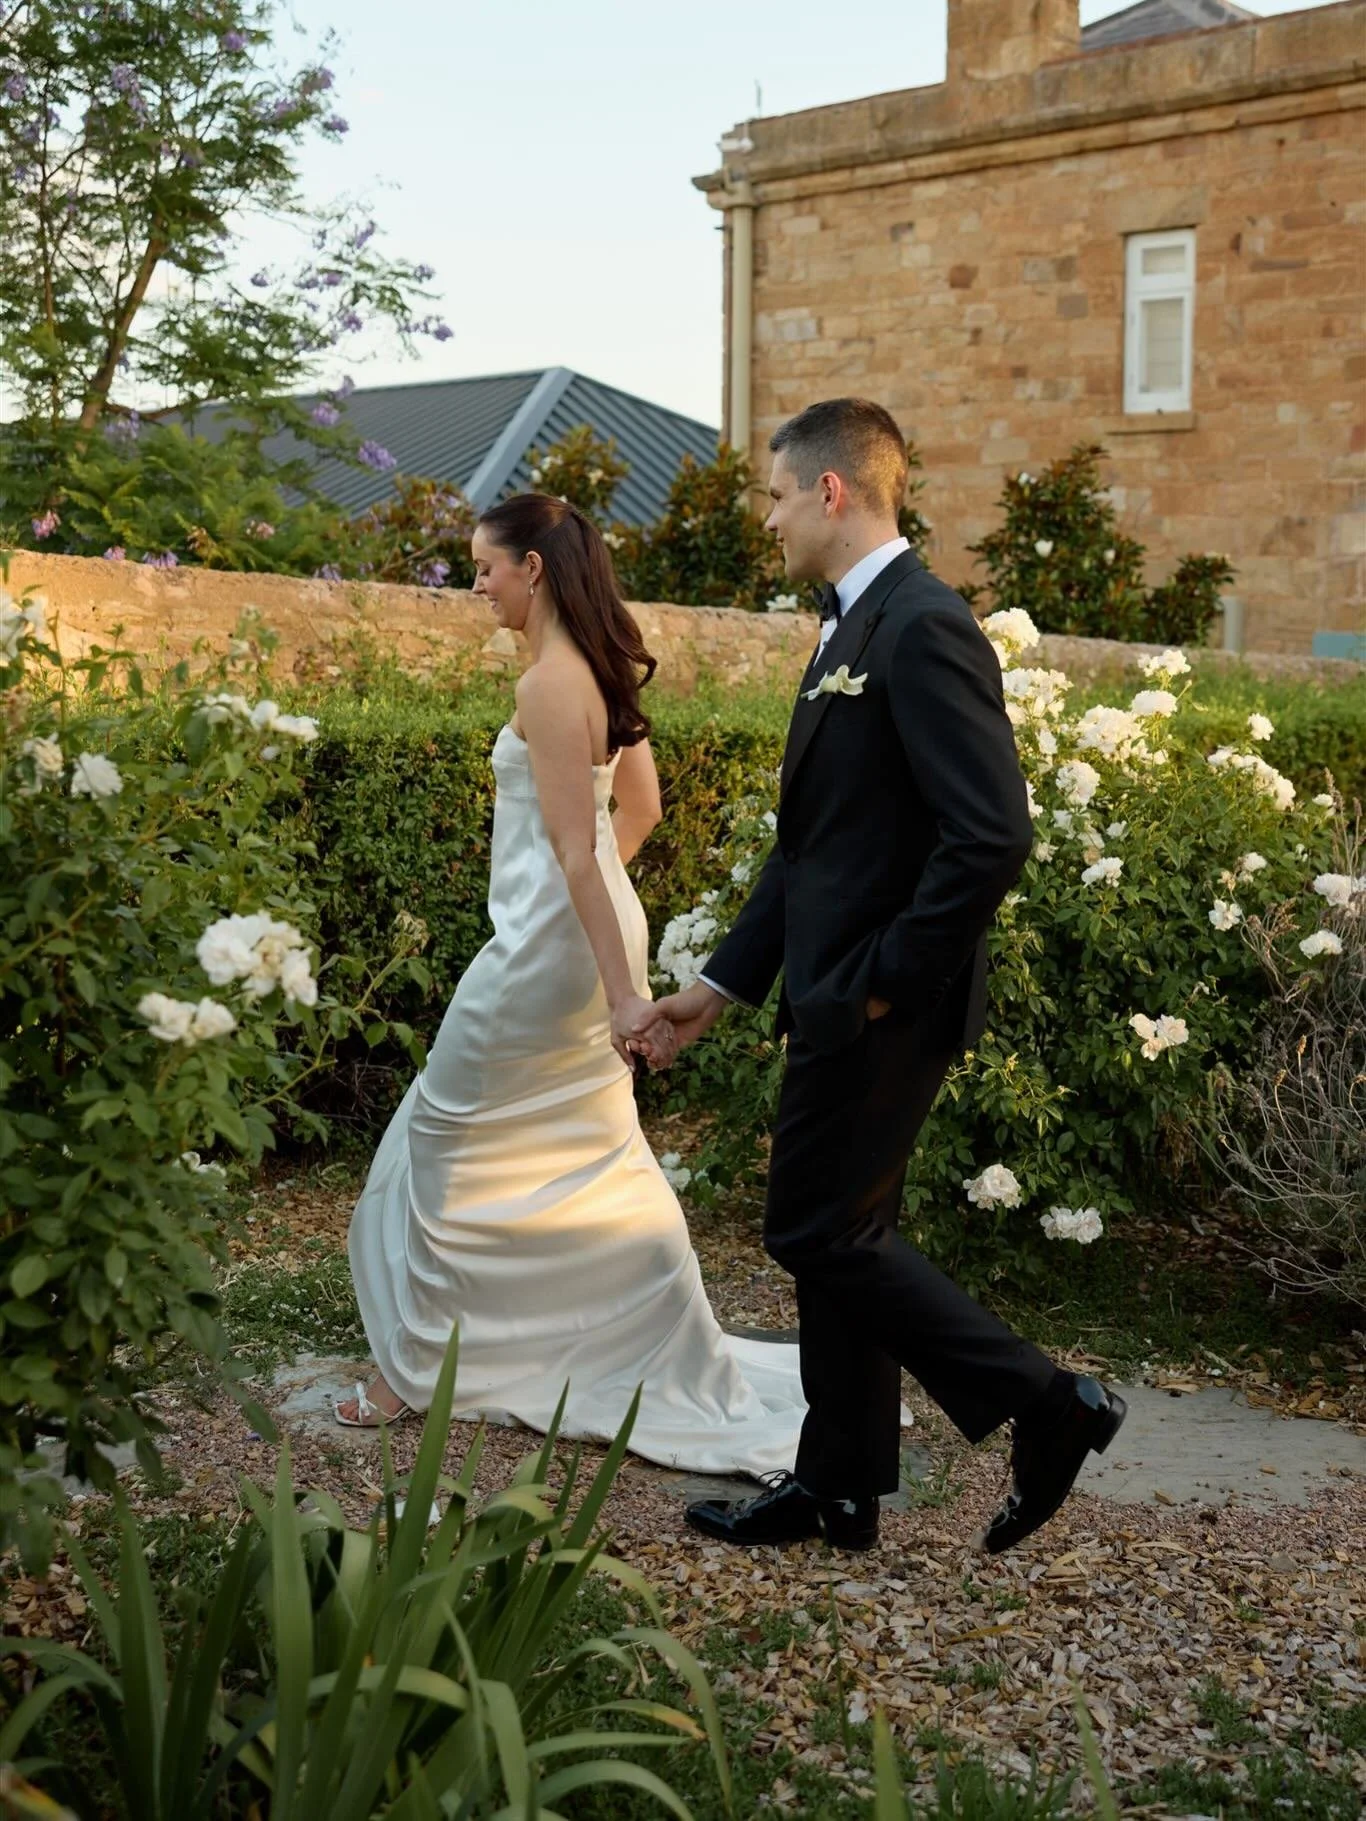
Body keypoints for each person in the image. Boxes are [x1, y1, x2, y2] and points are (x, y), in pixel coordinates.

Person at [635, 399, 1126, 1554]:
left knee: (819, 1232)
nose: (766, 520)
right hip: (832, 992)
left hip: (883, 1004)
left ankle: (1048, 1404)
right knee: (837, 1232)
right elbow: (812, 848)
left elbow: (990, 834)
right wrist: (720, 984)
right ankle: (839, 1484)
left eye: (772, 496)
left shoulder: (919, 624)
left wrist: (882, 983)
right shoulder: (846, 626)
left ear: (831, 492)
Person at [338, 493, 807, 1479]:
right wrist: (609, 947)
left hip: (547, 951)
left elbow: (572, 854)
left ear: (534, 569)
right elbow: (636, 814)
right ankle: (601, 1339)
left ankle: (413, 1373)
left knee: (445, 1137)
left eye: (484, 568)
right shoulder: (594, 669)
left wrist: (616, 986)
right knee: (587, 1150)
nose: (478, 586)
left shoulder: (550, 685)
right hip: (578, 936)